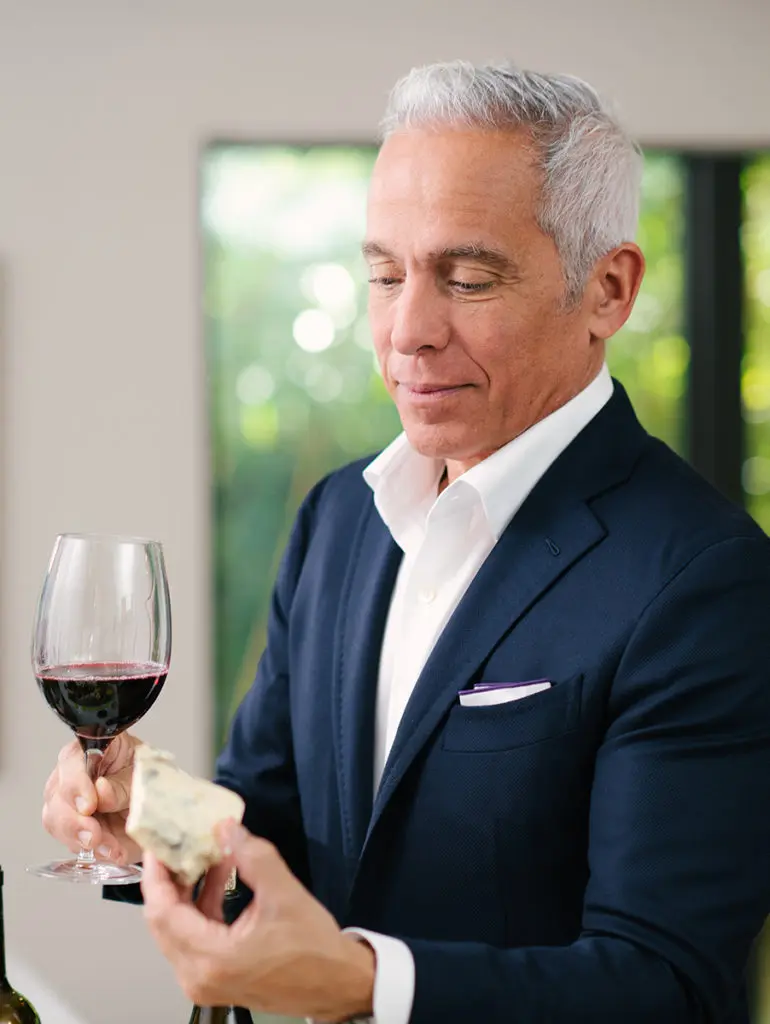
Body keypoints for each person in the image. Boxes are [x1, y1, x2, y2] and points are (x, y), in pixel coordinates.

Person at [42, 60, 770, 1024]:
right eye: (383, 275)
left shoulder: (706, 581)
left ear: (608, 289)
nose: (407, 331)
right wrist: (153, 820)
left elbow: (665, 987)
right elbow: (275, 833)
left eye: (467, 278)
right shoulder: (338, 518)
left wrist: (362, 983)